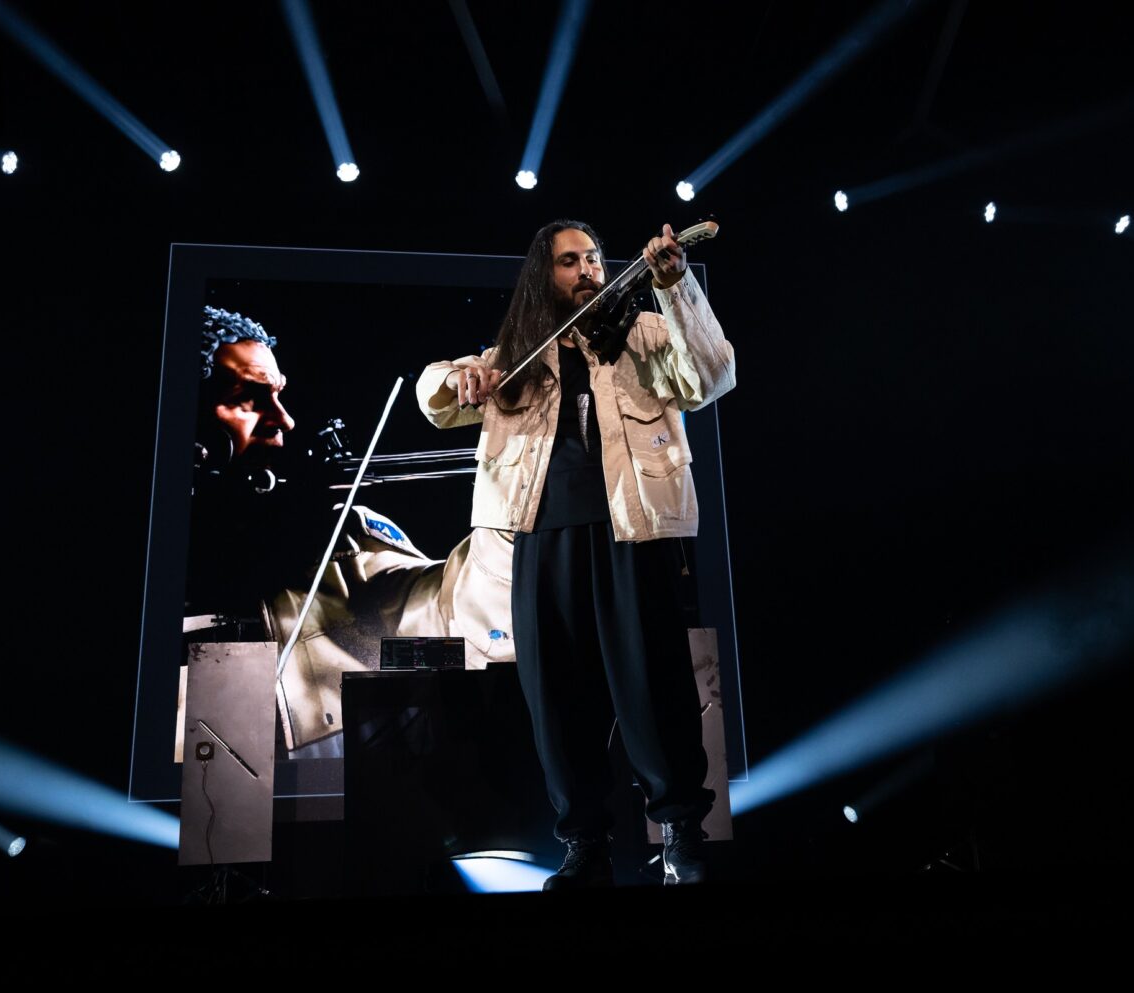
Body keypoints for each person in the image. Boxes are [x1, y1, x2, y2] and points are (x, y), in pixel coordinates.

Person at [417, 221, 736, 886]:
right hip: (543, 538)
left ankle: (681, 832)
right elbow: (434, 397)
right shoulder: (514, 353)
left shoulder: (644, 333)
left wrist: (677, 287)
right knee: (559, 699)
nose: (587, 269)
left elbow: (712, 376)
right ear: (545, 274)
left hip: (633, 532)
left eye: (593, 258)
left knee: (654, 685)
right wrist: (462, 378)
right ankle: (586, 843)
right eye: (570, 261)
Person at [184, 307, 514, 760]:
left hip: (321, 789)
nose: (284, 421)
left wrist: (515, 500)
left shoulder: (345, 541)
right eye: (249, 398)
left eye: (278, 396)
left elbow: (455, 634)